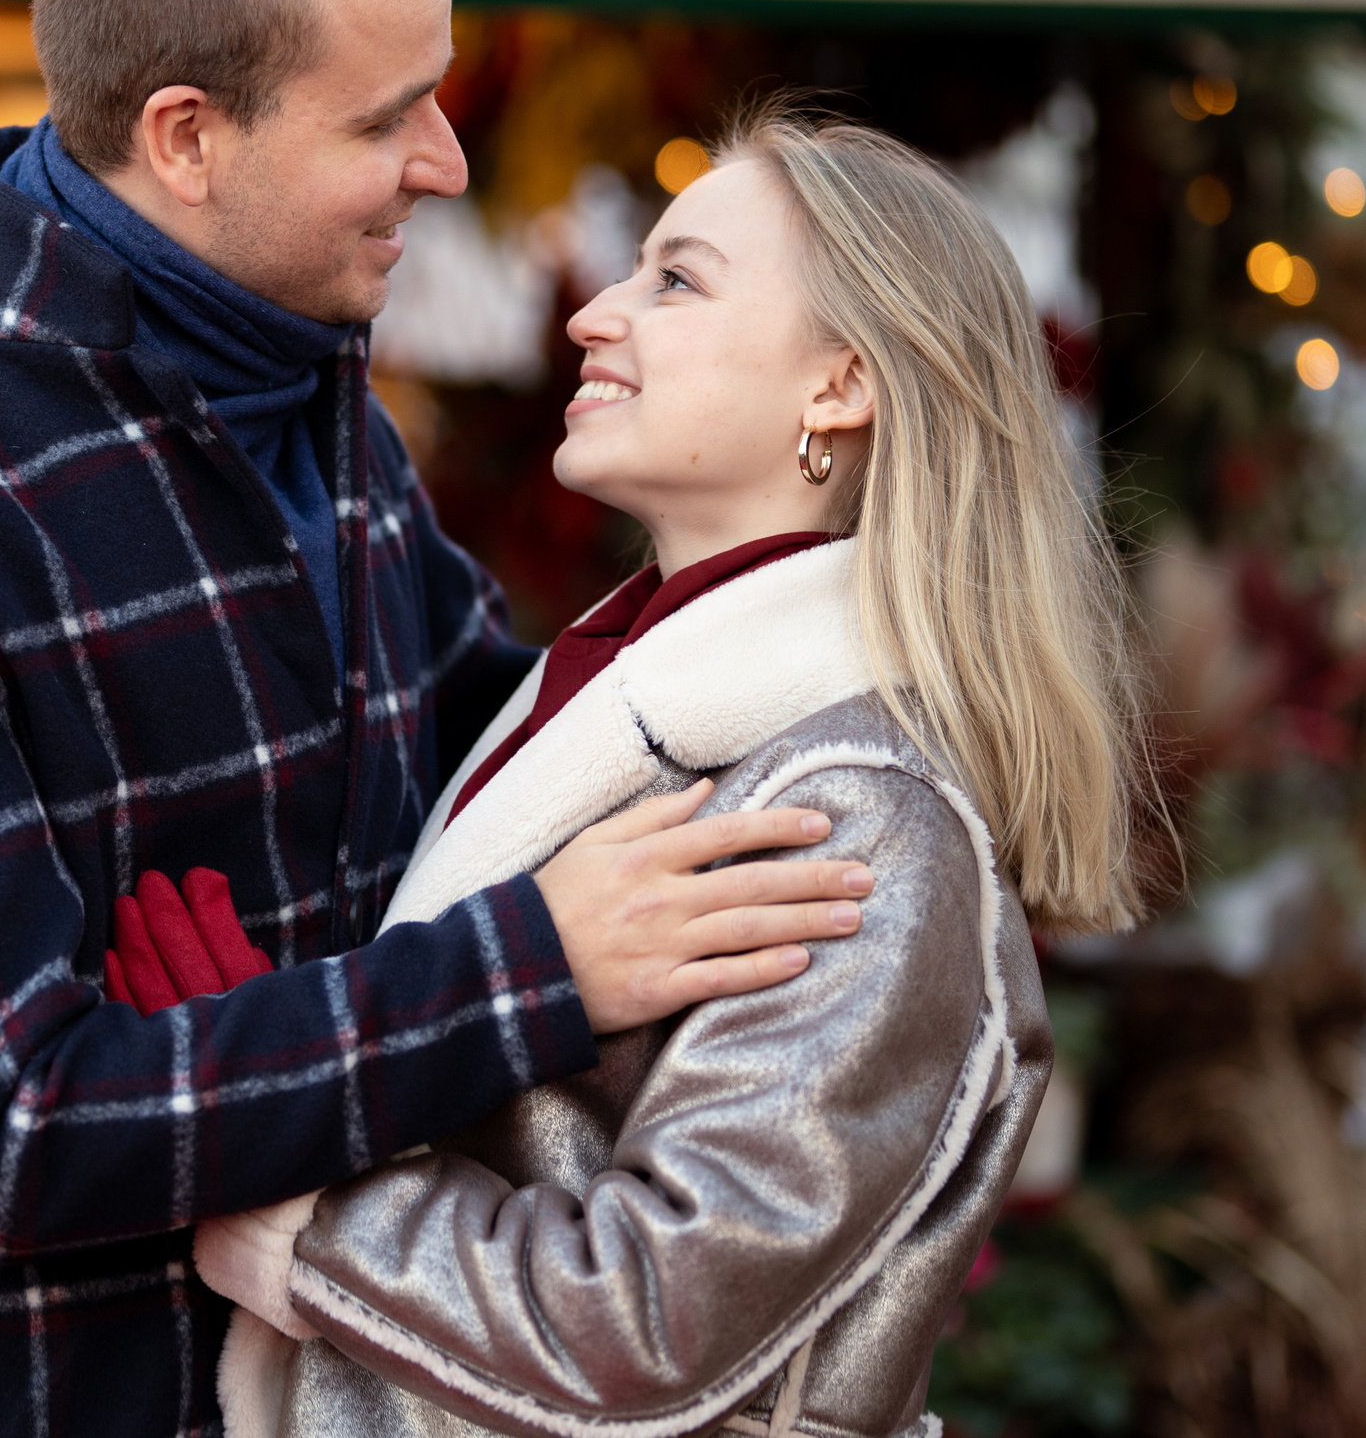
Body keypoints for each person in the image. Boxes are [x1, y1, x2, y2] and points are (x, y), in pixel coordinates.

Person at [0, 0, 877, 1437]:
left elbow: (521, 749)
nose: (447, 164)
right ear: (187, 136)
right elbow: (8, 1132)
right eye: (386, 118)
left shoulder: (304, 390)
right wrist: (527, 967)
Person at [193, 104, 1160, 1437]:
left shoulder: (863, 815)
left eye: (677, 280)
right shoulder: (622, 698)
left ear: (843, 382)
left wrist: (309, 1222)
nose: (596, 314)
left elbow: (655, 1315)